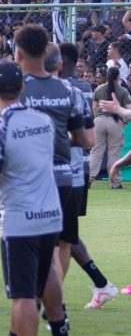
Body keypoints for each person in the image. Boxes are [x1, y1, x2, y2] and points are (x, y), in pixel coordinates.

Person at [0, 63, 61, 336]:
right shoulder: (44, 121)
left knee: (22, 294)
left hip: (20, 219)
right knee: (33, 289)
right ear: (23, 88)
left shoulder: (0, 128)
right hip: (49, 214)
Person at [14, 23, 89, 336]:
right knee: (55, 250)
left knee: (35, 262)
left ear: (18, 52)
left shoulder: (16, 90)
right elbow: (85, 141)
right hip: (63, 179)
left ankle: (48, 329)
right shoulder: (67, 90)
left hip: (31, 181)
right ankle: (53, 324)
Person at [57, 43, 119, 310]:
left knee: (62, 238)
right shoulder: (83, 87)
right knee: (67, 235)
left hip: (63, 170)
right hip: (78, 167)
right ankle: (101, 284)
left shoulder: (60, 90)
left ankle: (53, 299)